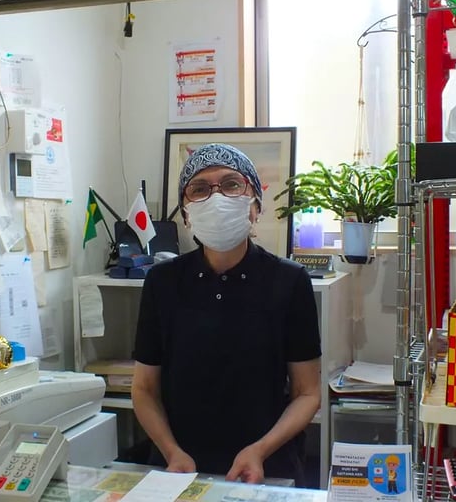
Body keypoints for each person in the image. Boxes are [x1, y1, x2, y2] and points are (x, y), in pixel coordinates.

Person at [131, 143, 321, 486]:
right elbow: (144, 389)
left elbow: (307, 393)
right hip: (178, 467)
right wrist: (171, 451)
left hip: (265, 468)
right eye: (200, 189)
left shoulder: (289, 281)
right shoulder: (162, 282)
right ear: (186, 213)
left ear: (255, 205)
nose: (216, 197)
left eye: (232, 184)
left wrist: (260, 451)